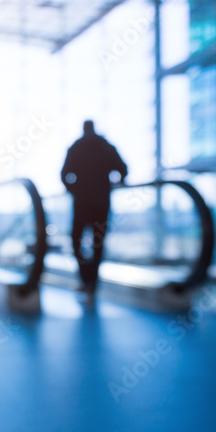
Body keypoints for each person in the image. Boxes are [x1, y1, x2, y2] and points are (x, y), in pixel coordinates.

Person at [61, 120, 127, 298]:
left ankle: (85, 278)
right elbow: (123, 169)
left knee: (76, 241)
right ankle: (92, 283)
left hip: (81, 203)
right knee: (98, 243)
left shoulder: (75, 147)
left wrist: (74, 190)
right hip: (101, 202)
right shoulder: (105, 146)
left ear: (83, 129)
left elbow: (64, 175)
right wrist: (116, 183)